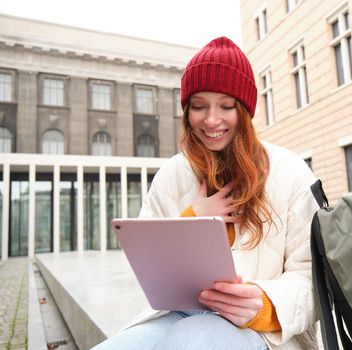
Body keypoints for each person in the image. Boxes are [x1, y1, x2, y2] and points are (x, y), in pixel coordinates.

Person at [92, 36, 319, 350]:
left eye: (226, 106)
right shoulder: (172, 174)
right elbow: (146, 266)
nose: (211, 120)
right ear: (187, 111)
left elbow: (312, 277)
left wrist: (265, 305)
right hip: (178, 314)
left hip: (262, 332)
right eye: (199, 106)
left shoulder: (290, 171)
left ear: (245, 111)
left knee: (193, 340)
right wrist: (191, 219)